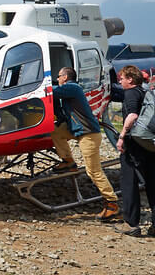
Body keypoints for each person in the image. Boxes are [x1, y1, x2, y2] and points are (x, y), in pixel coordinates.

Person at [51, 66, 120, 222]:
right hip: (77, 130)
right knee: (56, 132)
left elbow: (51, 92)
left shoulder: (72, 88)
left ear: (65, 77)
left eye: (59, 76)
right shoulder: (71, 89)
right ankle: (68, 161)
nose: (57, 78)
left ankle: (112, 203)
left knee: (93, 171)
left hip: (88, 134)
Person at [115, 65, 155, 237]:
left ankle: (132, 224)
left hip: (135, 145)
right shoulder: (148, 93)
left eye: (122, 78)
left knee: (129, 182)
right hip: (153, 144)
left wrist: (122, 136)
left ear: (130, 79)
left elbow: (133, 116)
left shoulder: (131, 93)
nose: (120, 81)